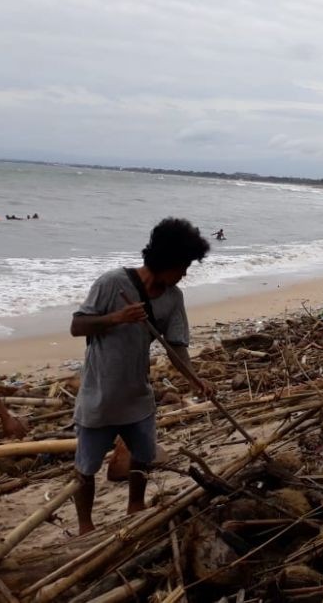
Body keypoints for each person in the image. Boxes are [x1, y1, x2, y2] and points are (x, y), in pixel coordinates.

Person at [69, 217, 214, 535]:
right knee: (86, 467)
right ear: (166, 260)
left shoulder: (173, 298)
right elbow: (77, 326)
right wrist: (116, 317)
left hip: (137, 394)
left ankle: (136, 505)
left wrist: (196, 380)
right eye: (183, 265)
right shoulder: (111, 283)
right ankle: (85, 526)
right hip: (99, 395)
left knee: (143, 456)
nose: (185, 273)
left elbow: (176, 347)